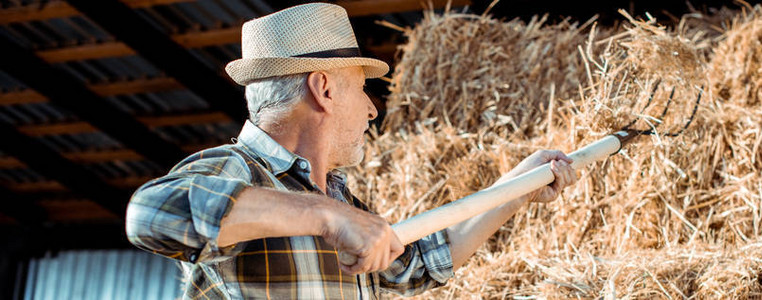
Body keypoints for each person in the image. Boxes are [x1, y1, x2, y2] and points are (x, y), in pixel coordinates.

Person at [125, 3, 577, 299]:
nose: (371, 110)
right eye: (362, 89)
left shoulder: (340, 200)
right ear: (322, 88)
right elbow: (149, 215)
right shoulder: (236, 170)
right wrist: (329, 218)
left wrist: (516, 189)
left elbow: (421, 264)